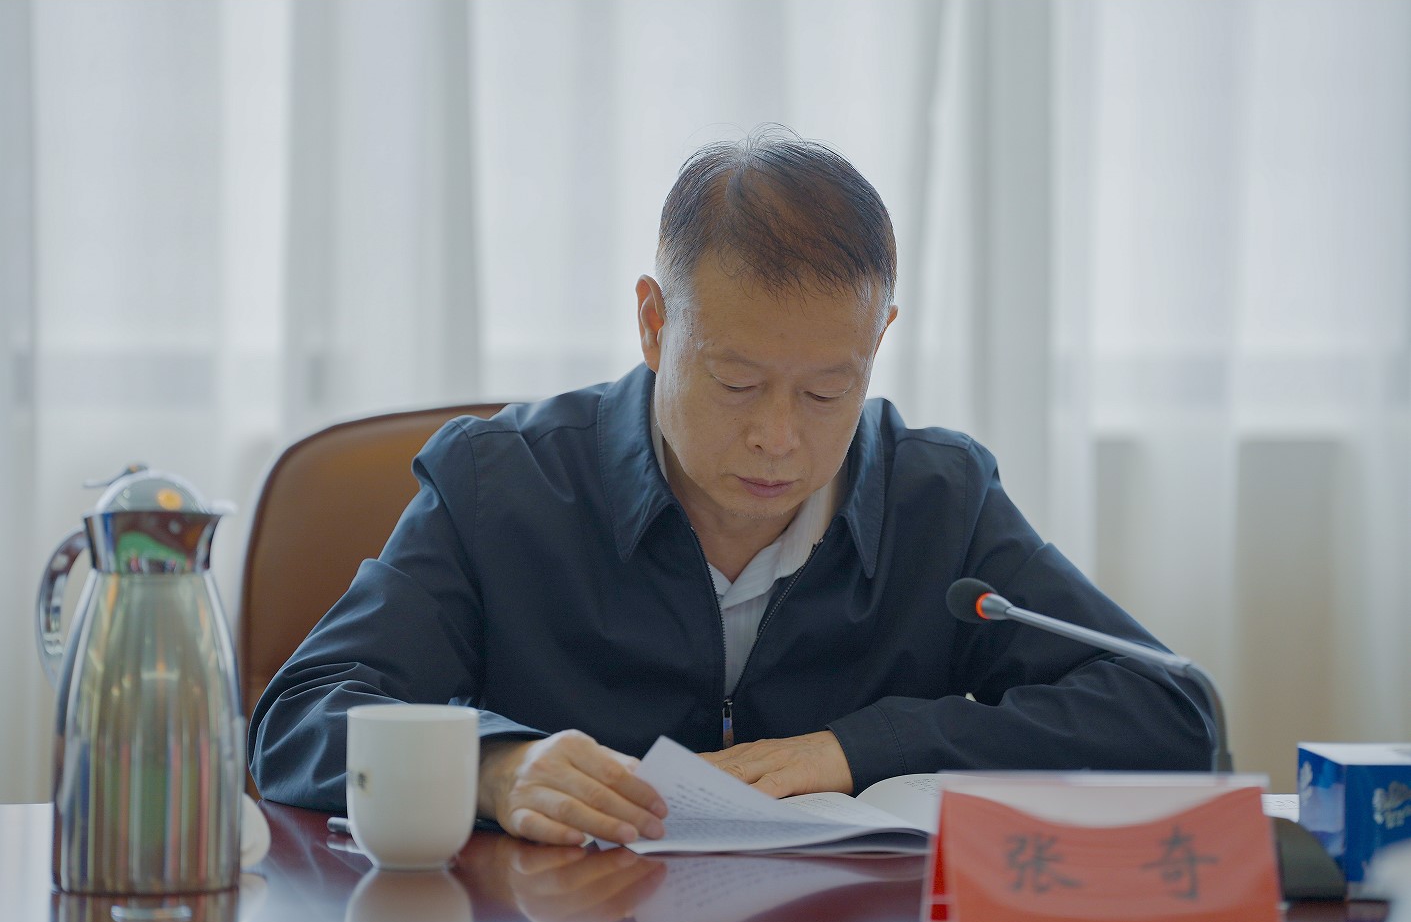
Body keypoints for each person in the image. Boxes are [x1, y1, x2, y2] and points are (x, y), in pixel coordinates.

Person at [249, 127, 1214, 848]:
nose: (778, 439)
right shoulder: (500, 484)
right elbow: (300, 714)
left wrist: (859, 748)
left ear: (878, 339)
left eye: (827, 391)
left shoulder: (935, 497)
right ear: (653, 323)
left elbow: (1169, 711)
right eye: (737, 381)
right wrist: (493, 768)